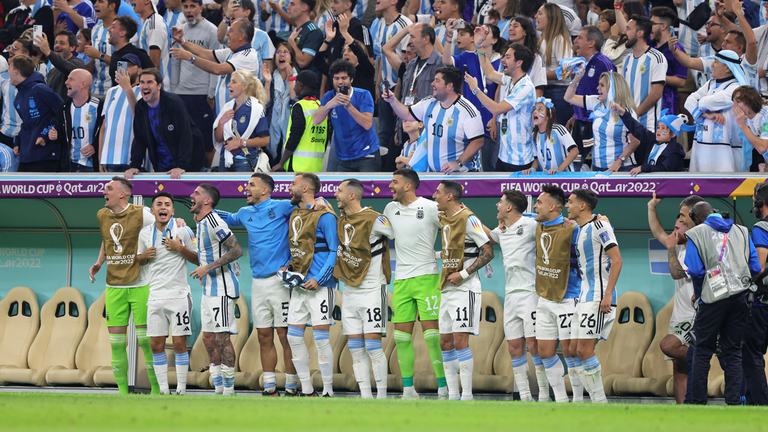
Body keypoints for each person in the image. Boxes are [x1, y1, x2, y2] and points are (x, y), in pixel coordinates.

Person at [213, 173, 327, 396]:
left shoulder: (284, 207)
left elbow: (308, 204)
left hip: (280, 283)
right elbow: (227, 218)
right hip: (258, 283)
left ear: (265, 190)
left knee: (285, 336)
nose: (246, 188)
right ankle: (270, 386)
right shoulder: (244, 213)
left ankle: (293, 386)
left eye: (251, 185)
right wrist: (205, 211)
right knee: (263, 336)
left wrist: (322, 201)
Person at [682, 201, 761, 405]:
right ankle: (733, 403)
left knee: (702, 350)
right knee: (733, 351)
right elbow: (755, 265)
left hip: (712, 299)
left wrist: (701, 292)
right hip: (740, 297)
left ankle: (698, 402)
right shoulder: (742, 231)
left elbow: (696, 270)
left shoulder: (697, 233)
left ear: (694, 217)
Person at [88, 176, 160, 395]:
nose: (104, 191)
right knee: (117, 343)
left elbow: (163, 224)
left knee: (146, 342)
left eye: (109, 188)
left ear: (123, 194)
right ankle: (122, 394)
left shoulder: (142, 214)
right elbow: (106, 239)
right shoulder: (102, 214)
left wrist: (180, 223)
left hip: (140, 285)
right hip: (114, 287)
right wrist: (100, 261)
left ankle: (156, 391)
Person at [382, 168, 448, 400]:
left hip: (427, 277)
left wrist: (444, 256)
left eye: (394, 182)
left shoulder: (430, 208)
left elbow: (452, 230)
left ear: (408, 186)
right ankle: (408, 390)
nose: (390, 186)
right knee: (401, 338)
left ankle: (443, 388)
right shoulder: (390, 209)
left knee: (432, 337)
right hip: (401, 281)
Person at [433, 180, 494, 401]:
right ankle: (452, 395)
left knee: (460, 341)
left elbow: (488, 252)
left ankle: (467, 396)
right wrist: (437, 256)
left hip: (466, 289)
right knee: (445, 342)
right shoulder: (445, 219)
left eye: (438, 192)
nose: (434, 196)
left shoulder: (469, 219)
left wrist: (464, 274)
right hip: (447, 288)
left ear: (449, 196)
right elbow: (457, 250)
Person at [333, 178, 392, 399]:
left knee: (374, 347)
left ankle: (383, 397)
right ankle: (366, 398)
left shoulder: (375, 220)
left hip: (372, 291)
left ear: (352, 195)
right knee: (355, 347)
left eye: (339, 190)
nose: (335, 194)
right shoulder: (342, 220)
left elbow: (401, 236)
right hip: (349, 291)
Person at [483, 190, 544, 402]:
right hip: (511, 296)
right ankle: (525, 397)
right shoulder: (501, 230)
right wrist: (468, 216)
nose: (497, 205)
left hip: (531, 293)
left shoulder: (531, 224)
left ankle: (544, 394)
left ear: (509, 207)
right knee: (514, 346)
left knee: (535, 345)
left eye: (500, 202)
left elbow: (554, 223)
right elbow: (487, 238)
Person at [282, 173, 339, 397]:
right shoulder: (296, 213)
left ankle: (328, 389)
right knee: (293, 337)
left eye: (293, 184)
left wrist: (320, 279)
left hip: (321, 287)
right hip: (299, 287)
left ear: (306, 188)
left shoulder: (325, 216)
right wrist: (287, 267)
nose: (289, 187)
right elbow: (300, 251)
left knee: (321, 338)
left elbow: (335, 250)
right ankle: (307, 390)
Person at [136, 192, 198, 395]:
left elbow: (198, 259)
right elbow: (139, 260)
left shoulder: (184, 229)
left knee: (179, 343)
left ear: (173, 210)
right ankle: (163, 390)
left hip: (178, 296)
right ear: (152, 211)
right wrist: (143, 256)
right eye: (159, 204)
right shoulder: (144, 233)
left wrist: (179, 248)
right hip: (155, 297)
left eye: (167, 204)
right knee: (156, 344)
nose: (163, 207)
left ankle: (181, 389)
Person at [566, 188, 622, 404]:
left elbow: (617, 260)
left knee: (584, 349)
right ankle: (586, 400)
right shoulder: (581, 228)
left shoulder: (600, 225)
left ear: (583, 206)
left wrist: (607, 294)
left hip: (599, 297)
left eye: (570, 202)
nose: (567, 205)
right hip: (584, 297)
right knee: (572, 350)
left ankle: (599, 402)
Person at [189, 183, 244, 396]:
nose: (191, 195)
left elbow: (237, 250)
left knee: (222, 338)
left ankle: (229, 390)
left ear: (207, 201)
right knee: (208, 339)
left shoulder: (214, 221)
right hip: (208, 290)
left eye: (197, 193)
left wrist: (207, 268)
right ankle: (218, 388)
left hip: (222, 289)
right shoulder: (200, 222)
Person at [647, 193, 702, 404]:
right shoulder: (678, 245)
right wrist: (651, 207)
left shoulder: (696, 247)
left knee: (668, 345)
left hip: (694, 315)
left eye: (679, 225)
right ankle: (683, 413)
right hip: (678, 316)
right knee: (679, 369)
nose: (673, 231)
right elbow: (658, 232)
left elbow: (677, 273)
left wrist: (670, 247)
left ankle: (703, 355)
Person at [532, 184, 581, 403]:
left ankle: (579, 399)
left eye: (539, 202)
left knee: (571, 351)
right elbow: (516, 215)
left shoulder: (574, 228)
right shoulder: (537, 223)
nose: (535, 205)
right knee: (545, 352)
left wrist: (602, 217)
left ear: (553, 207)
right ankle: (561, 401)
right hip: (544, 297)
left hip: (568, 297)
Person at [385, 66, 483, 174]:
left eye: (437, 81)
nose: (432, 84)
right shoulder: (428, 103)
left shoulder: (467, 111)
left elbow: (478, 141)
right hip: (434, 175)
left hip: (462, 174)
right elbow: (407, 114)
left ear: (449, 86)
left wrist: (458, 163)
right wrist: (393, 101)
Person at [126, 68, 206, 179]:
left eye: (149, 82)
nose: (144, 86)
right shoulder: (140, 107)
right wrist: (135, 165)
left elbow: (185, 136)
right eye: (142, 82)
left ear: (159, 86)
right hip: (161, 165)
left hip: (189, 164)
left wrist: (182, 166)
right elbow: (139, 139)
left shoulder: (174, 103)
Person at [170, 18, 260, 115]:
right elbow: (203, 53)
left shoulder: (247, 57)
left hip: (240, 114)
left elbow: (218, 69)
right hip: (225, 112)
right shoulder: (232, 52)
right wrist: (182, 41)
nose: (227, 33)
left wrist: (191, 58)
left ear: (241, 36)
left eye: (231, 31)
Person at [444, 23, 503, 172]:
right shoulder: (468, 56)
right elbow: (446, 61)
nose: (481, 35)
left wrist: (495, 118)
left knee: (490, 165)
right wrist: (449, 36)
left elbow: (500, 93)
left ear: (495, 40)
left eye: (486, 33)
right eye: (479, 31)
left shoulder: (501, 62)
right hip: (471, 117)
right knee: (470, 164)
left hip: (491, 118)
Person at [469, 43, 536, 172]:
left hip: (520, 159)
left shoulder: (525, 87)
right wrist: (479, 46)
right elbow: (489, 73)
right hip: (504, 155)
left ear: (518, 63)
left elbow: (497, 109)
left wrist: (475, 90)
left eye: (508, 57)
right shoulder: (511, 79)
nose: (502, 60)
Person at [172, 0, 219, 167]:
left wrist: (211, 93)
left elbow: (216, 63)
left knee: (205, 140)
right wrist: (173, 90)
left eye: (193, 6)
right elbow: (175, 60)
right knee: (182, 138)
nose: (189, 10)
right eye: (185, 7)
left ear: (201, 8)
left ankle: (207, 177)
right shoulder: (180, 31)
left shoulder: (212, 30)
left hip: (202, 94)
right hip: (181, 94)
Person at [564, 70, 641, 172]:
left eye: (602, 85)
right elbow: (568, 97)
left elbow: (636, 141)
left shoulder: (627, 111)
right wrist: (577, 78)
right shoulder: (595, 102)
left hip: (621, 167)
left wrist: (618, 161)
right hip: (598, 167)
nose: (597, 88)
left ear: (613, 88)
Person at [683, 50, 745, 172]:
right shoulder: (710, 83)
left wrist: (699, 101)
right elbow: (688, 101)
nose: (711, 65)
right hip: (701, 146)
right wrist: (706, 114)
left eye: (715, 62)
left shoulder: (737, 88)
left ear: (727, 67)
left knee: (725, 186)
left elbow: (707, 102)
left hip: (725, 149)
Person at [314, 59, 380, 171]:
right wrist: (330, 105)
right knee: (343, 188)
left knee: (365, 189)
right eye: (336, 78)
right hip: (344, 158)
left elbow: (367, 124)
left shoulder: (364, 95)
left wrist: (349, 107)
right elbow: (316, 120)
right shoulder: (329, 97)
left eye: (344, 78)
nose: (340, 82)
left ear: (351, 79)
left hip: (367, 155)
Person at [615, 11, 667, 149]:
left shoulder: (657, 58)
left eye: (628, 29)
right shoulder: (627, 59)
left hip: (647, 127)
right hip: (627, 126)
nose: (624, 32)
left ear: (640, 33)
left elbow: (656, 93)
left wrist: (633, 116)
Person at [567, 26, 615, 170]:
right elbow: (582, 93)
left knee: (598, 163)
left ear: (591, 43)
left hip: (598, 124)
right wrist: (575, 115)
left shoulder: (604, 63)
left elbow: (614, 93)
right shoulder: (581, 64)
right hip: (580, 120)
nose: (575, 41)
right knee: (574, 164)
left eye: (579, 38)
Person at [373, 0, 412, 171]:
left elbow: (407, 63)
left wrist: (398, 89)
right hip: (385, 88)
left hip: (401, 89)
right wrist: (378, 83)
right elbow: (383, 56)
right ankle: (383, 173)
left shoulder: (405, 24)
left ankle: (396, 171)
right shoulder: (381, 23)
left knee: (399, 135)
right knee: (383, 133)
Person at [8, 55, 64, 172]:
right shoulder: (19, 96)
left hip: (46, 154)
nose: (8, 72)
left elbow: (62, 112)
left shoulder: (41, 89)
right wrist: (18, 141)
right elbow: (28, 123)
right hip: (26, 154)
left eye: (9, 68)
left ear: (16, 71)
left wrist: (47, 135)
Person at [213, 70, 269, 172]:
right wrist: (221, 122)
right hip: (225, 159)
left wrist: (240, 142)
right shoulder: (227, 107)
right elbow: (218, 139)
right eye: (230, 81)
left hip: (245, 161)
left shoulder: (256, 109)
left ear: (244, 86)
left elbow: (265, 140)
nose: (229, 85)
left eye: (234, 82)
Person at [272, 70, 327, 172]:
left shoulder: (300, 106)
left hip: (298, 166)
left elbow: (295, 136)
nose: (294, 87)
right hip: (316, 166)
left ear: (301, 85)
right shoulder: (320, 105)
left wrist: (281, 163)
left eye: (296, 83)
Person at [610, 104, 688, 175]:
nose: (658, 130)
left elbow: (664, 170)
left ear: (672, 134)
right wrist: (623, 114)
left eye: (663, 128)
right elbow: (638, 129)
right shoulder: (653, 140)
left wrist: (643, 168)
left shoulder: (674, 150)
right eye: (658, 127)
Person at [49, 69, 102, 172]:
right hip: (70, 165)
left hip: (92, 166)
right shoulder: (64, 107)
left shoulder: (99, 106)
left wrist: (95, 147)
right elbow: (61, 137)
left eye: (71, 79)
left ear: (83, 84)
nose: (66, 82)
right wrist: (54, 136)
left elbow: (106, 133)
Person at [99, 53, 141, 172]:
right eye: (123, 65)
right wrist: (101, 158)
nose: (125, 69)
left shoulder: (144, 92)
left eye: (130, 66)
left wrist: (127, 88)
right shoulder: (111, 92)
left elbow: (139, 117)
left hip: (133, 159)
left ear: (140, 70)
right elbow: (104, 126)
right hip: (110, 159)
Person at [747, 183, 768, 406]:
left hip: (763, 303)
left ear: (760, 203)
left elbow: (759, 266)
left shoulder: (761, 227)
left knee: (752, 356)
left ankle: (761, 409)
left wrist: (742, 283)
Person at [535, 3, 573, 126]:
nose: (536, 16)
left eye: (540, 13)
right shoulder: (542, 40)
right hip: (546, 90)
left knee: (557, 132)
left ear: (550, 17)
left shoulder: (559, 39)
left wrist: (540, 77)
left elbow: (566, 71)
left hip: (558, 92)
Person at [219, 0, 274, 78]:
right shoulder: (227, 31)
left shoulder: (262, 35)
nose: (231, 12)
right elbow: (220, 38)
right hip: (229, 84)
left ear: (247, 12)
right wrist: (227, 16)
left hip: (252, 86)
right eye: (229, 10)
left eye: (235, 9)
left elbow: (268, 66)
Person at [648, 7, 687, 116]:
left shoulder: (677, 50)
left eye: (652, 23)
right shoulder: (651, 46)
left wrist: (655, 76)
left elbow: (681, 81)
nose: (649, 27)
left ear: (663, 26)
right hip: (648, 101)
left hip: (666, 105)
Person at [264, 42, 296, 163]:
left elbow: (295, 101)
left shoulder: (299, 78)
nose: (281, 55)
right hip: (272, 127)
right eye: (278, 52)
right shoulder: (269, 78)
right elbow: (265, 104)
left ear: (292, 59)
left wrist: (290, 79)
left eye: (285, 52)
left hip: (291, 128)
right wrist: (267, 82)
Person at [528, 98, 578, 174]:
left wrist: (559, 170)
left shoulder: (558, 129)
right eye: (534, 109)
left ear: (549, 116)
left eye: (540, 110)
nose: (535, 112)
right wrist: (532, 169)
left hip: (565, 176)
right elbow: (536, 159)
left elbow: (574, 151)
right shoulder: (533, 135)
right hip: (547, 177)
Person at [34, 31, 86, 99]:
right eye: (55, 43)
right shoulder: (52, 71)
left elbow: (68, 68)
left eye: (62, 43)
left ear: (72, 47)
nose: (57, 45)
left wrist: (49, 53)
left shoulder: (78, 63)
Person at [107, 15, 155, 85]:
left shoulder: (138, 54)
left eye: (113, 27)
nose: (108, 29)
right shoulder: (115, 54)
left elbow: (154, 77)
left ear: (122, 33)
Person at [85, 0, 119, 97]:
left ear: (112, 6)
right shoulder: (96, 29)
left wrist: (99, 55)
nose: (95, 5)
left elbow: (124, 64)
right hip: (95, 90)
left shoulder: (123, 30)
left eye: (101, 1)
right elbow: (94, 62)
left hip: (114, 91)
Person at [733, 85, 768, 169]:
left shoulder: (766, 115)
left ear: (750, 102)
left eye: (737, 101)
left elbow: (762, 148)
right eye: (733, 101)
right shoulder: (747, 119)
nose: (734, 106)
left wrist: (742, 126)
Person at [285, 0, 323, 74]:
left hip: (308, 83)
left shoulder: (313, 32)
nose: (288, 7)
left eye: (292, 4)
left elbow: (303, 62)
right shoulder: (296, 30)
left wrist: (292, 43)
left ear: (304, 7)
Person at [0, 47, 22, 150]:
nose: (10, 51)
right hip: (5, 131)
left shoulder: (37, 78)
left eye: (15, 48)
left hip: (23, 133)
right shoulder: (4, 79)